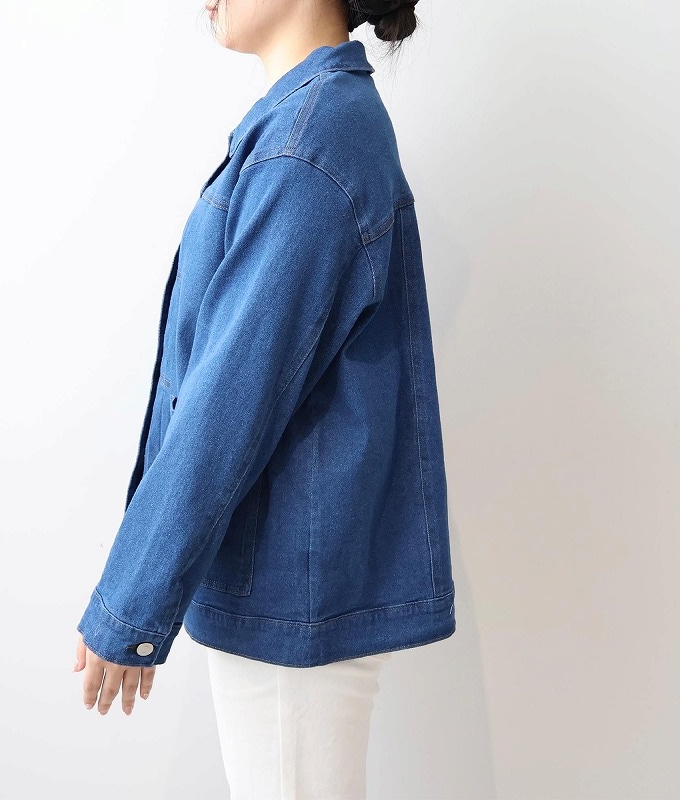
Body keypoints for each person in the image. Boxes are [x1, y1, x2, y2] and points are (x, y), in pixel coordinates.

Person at [74, 0, 456, 797]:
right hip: (289, 590)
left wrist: (132, 601)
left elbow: (229, 397)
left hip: (294, 601)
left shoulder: (310, 144)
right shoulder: (306, 125)